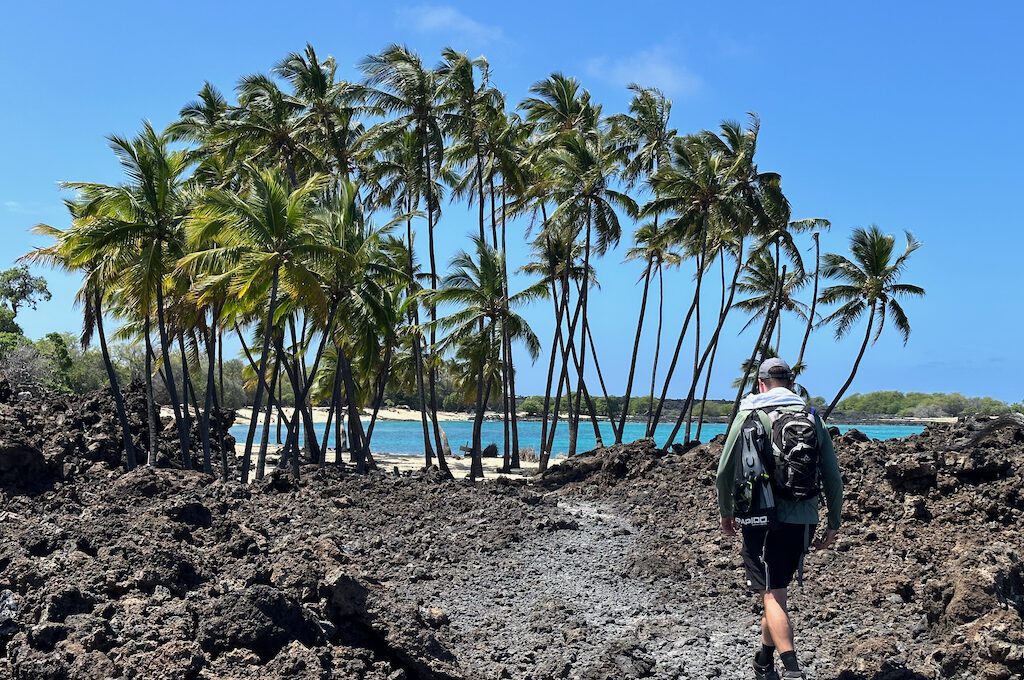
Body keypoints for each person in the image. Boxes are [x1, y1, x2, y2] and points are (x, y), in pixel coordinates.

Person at [716, 357, 844, 680]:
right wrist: (833, 522)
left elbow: (723, 473)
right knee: (778, 590)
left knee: (771, 595)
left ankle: (792, 671)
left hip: (763, 519)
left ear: (760, 384)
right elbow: (833, 477)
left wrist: (727, 513)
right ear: (790, 383)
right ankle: (763, 661)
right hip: (805, 518)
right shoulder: (812, 417)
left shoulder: (750, 414)